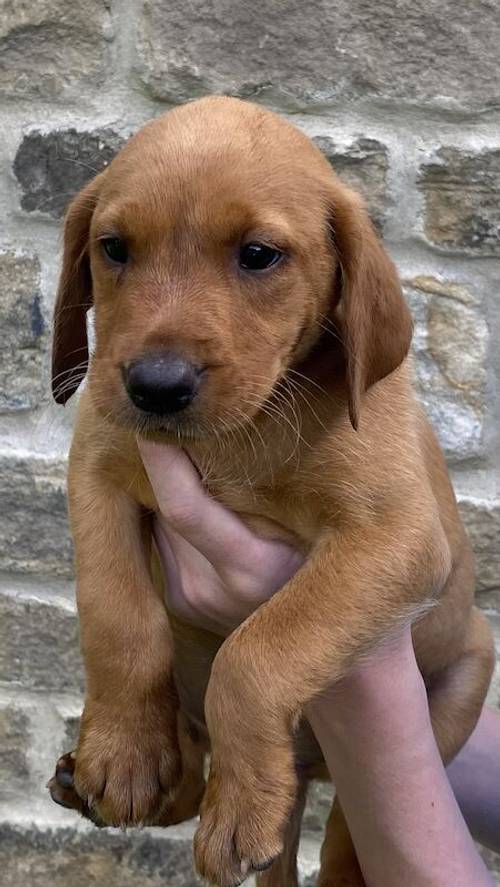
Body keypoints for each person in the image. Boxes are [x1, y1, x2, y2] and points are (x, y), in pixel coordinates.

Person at [139, 440, 500, 887]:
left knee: (468, 662)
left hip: (419, 674)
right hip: (411, 707)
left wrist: (341, 670)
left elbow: (411, 548)